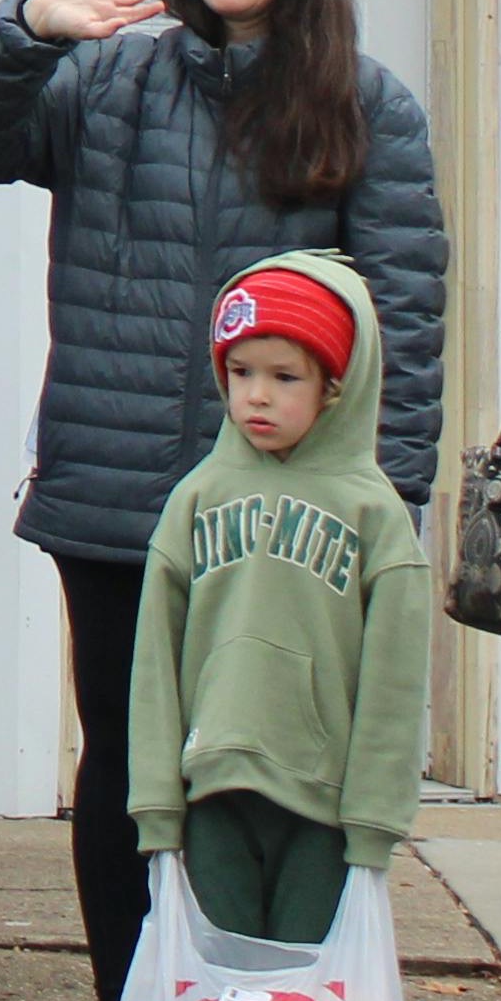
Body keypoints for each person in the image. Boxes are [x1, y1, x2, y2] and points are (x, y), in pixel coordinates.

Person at [0, 0, 450, 1001]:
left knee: (266, 779)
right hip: (112, 501)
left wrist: (393, 511)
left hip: (285, 523)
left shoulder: (367, 108)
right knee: (126, 770)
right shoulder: (106, 81)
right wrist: (26, 29)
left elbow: (404, 325)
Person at [125, 256, 428, 959]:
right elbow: (153, 664)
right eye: (241, 372)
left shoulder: (374, 513)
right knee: (221, 995)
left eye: (285, 376)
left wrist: (374, 819)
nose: (257, 395)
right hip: (211, 795)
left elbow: (395, 681)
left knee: (300, 1000)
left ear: (335, 387)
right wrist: (157, 804)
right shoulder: (196, 499)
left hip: (321, 806)